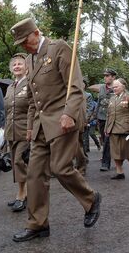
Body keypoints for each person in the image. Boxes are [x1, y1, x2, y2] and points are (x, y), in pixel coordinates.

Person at [9, 18, 101, 242]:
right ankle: (37, 224)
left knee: (60, 168)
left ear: (37, 33)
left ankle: (91, 199)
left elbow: (75, 85)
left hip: (62, 118)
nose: (23, 46)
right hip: (41, 125)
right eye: (20, 43)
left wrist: (69, 113)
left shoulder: (58, 48)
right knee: (34, 174)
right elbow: (33, 98)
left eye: (25, 40)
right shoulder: (30, 60)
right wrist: (30, 126)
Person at [5, 53, 30, 212]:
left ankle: (23, 194)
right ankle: (22, 192)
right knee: (16, 163)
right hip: (11, 130)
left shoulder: (30, 83)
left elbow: (35, 107)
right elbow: (7, 110)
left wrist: (32, 128)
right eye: (14, 64)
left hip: (25, 130)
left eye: (20, 64)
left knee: (19, 161)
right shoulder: (10, 87)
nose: (17, 66)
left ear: (27, 67)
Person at [105, 78, 129, 179]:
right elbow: (108, 115)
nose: (114, 89)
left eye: (116, 86)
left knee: (127, 152)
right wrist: (106, 128)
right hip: (113, 128)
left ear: (123, 86)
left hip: (125, 128)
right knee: (115, 152)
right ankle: (120, 172)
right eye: (113, 87)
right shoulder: (112, 98)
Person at [95, 68, 116, 171]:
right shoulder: (102, 87)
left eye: (107, 76)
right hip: (101, 117)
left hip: (112, 118)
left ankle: (105, 163)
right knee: (104, 140)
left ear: (113, 77)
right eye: (105, 76)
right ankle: (109, 156)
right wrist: (95, 115)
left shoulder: (117, 87)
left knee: (108, 140)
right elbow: (99, 101)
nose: (105, 77)